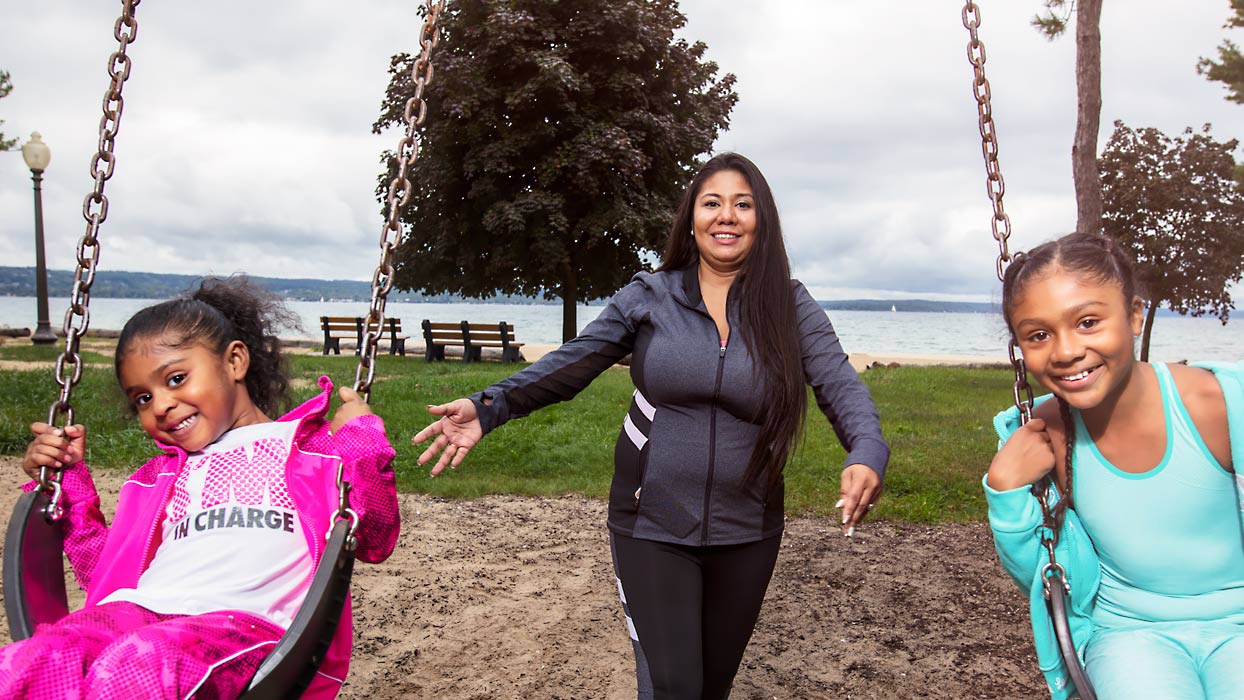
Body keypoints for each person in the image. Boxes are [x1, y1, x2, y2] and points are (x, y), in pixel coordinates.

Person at [412, 152, 890, 699]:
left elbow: (838, 382)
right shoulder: (651, 294)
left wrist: (866, 450)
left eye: (742, 204)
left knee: (709, 687)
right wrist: (489, 405)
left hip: (748, 526)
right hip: (651, 522)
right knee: (677, 686)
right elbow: (573, 362)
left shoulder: (790, 304)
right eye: (712, 203)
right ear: (692, 217)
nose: (726, 216)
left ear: (763, 220)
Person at [6, 276, 400, 700]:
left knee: (134, 665)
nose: (160, 405)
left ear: (234, 362)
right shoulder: (158, 477)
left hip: (243, 629)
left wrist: (360, 437)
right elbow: (105, 572)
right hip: (141, 612)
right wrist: (67, 480)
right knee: (31, 660)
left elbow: (375, 536)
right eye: (141, 398)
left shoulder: (314, 451)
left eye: (175, 379)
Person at [985, 232, 1244, 700]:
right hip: (1130, 633)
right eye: (1038, 335)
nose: (1065, 351)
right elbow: (1048, 575)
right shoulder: (1046, 433)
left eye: (1087, 322)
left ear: (1135, 315)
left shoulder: (1216, 405)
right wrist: (1005, 495)